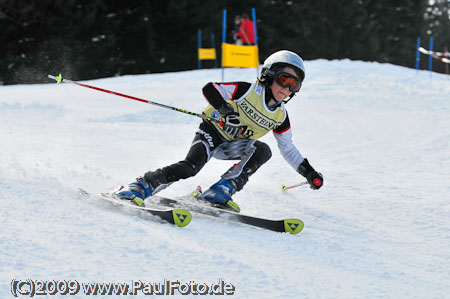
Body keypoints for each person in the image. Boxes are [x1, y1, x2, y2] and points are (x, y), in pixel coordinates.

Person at [116, 50, 324, 212]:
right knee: (191, 167)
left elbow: (288, 148)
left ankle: (220, 191)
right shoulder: (247, 91)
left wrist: (308, 172)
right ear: (269, 75)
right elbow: (210, 88)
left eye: (294, 85)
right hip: (212, 132)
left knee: (263, 150)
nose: (287, 89)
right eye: (284, 80)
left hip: (234, 145)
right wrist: (226, 111)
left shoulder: (280, 116)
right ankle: (141, 186)